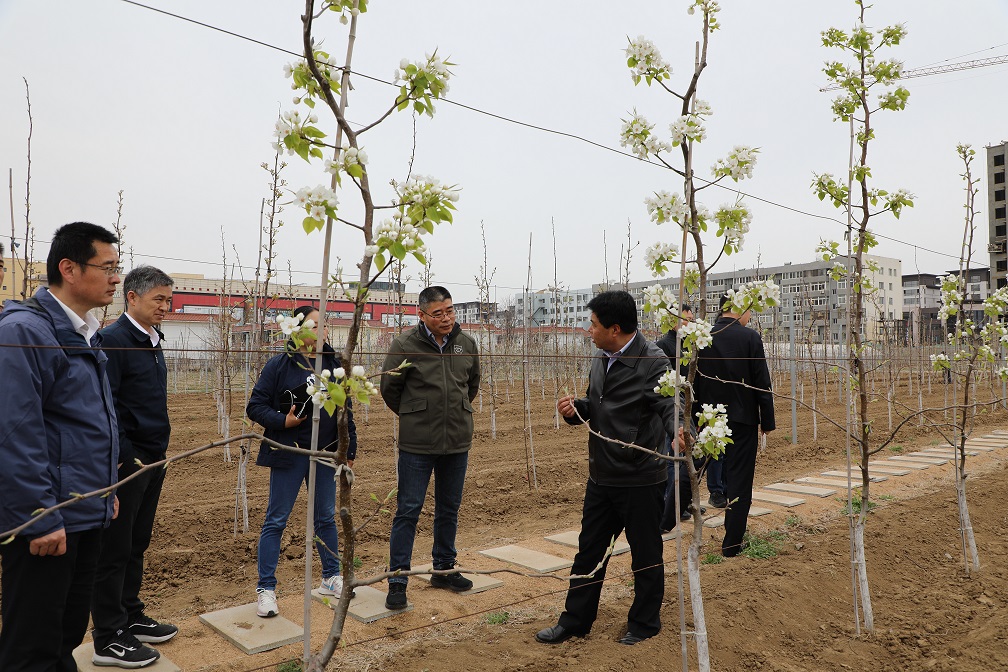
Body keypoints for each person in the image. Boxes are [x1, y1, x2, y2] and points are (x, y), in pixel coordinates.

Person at [0, 221, 121, 672]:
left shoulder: (84, 330)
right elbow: (15, 434)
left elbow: (83, 425)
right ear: (69, 269)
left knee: (65, 635)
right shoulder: (26, 331)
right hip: (49, 520)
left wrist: (106, 491)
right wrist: (40, 516)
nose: (116, 278)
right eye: (106, 267)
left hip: (84, 509)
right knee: (33, 647)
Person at [537, 290, 683, 647]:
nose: (589, 330)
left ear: (614, 329)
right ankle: (575, 622)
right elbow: (598, 404)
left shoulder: (653, 362)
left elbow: (671, 405)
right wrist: (578, 409)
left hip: (640, 477)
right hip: (602, 474)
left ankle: (644, 624)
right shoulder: (601, 356)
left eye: (593, 324)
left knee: (645, 555)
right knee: (589, 551)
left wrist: (681, 431)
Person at [246, 306, 358, 618]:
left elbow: (345, 410)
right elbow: (255, 406)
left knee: (325, 517)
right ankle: (266, 589)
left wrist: (349, 448)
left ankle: (330, 577)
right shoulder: (280, 365)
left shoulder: (335, 366)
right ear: (298, 329)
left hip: (325, 453)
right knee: (276, 520)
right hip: (290, 453)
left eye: (325, 324)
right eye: (316, 324)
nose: (324, 329)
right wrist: (284, 421)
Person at [90, 266, 176, 667]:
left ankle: (130, 614)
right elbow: (107, 407)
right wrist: (127, 458)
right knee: (114, 549)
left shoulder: (152, 340)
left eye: (168, 299)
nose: (165, 306)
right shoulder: (114, 341)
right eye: (159, 299)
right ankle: (108, 635)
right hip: (130, 463)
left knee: (136, 542)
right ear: (132, 297)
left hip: (153, 459)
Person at [379, 286, 480, 610]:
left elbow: (472, 385)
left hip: (457, 441)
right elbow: (389, 389)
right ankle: (397, 580)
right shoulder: (404, 345)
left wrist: (454, 412)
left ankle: (444, 569)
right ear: (421, 315)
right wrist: (416, 416)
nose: (446, 318)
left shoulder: (466, 344)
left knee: (449, 509)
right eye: (438, 313)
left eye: (450, 310)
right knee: (408, 510)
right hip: (417, 445)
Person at [694, 291, 775, 558]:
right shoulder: (750, 338)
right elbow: (761, 381)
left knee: (694, 468)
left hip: (708, 418)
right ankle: (731, 544)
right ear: (739, 309)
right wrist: (767, 420)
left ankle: (668, 517)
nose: (750, 316)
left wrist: (693, 419)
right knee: (740, 480)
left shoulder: (703, 336)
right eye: (749, 310)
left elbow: (693, 379)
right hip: (742, 420)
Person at [654, 303, 704, 529]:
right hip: (672, 410)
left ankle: (685, 501)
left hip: (689, 409)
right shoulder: (662, 347)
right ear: (672, 320)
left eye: (692, 319)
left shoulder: (691, 346)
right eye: (687, 318)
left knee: (689, 459)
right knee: (673, 458)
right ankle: (672, 505)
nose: (690, 322)